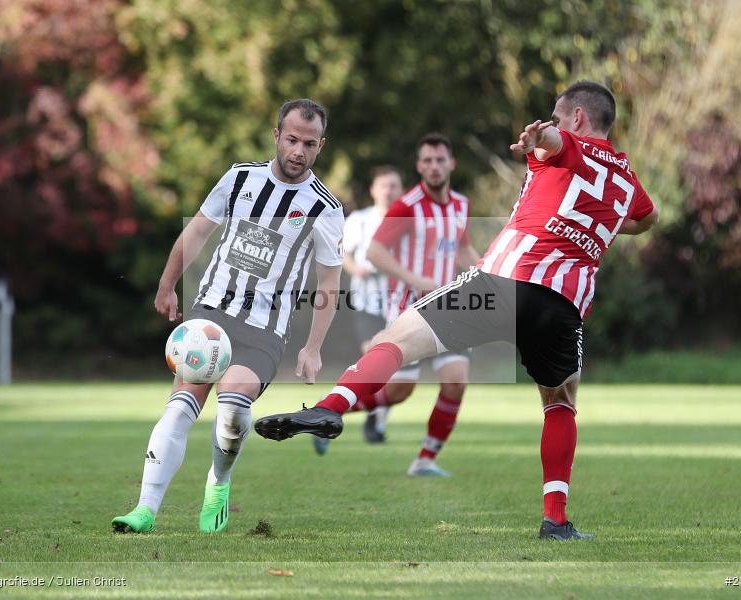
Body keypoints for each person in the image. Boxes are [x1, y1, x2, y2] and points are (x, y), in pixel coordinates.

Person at [255, 81, 659, 540]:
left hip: (506, 280)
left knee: (394, 341)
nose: (555, 121)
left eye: (558, 114)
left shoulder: (565, 143)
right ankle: (556, 520)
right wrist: (602, 227)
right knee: (561, 404)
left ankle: (332, 406)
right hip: (564, 304)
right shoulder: (626, 177)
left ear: (579, 119)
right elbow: (648, 219)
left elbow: (555, 142)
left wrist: (537, 138)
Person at [112, 98, 344, 534]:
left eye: (309, 144)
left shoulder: (325, 208)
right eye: (292, 139)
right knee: (180, 410)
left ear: (321, 146)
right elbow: (197, 231)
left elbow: (329, 283)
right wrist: (166, 284)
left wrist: (313, 348)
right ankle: (144, 509)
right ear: (276, 135)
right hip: (210, 319)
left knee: (233, 405)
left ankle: (218, 482)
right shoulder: (240, 179)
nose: (298, 151)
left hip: (264, 330)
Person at [314, 135, 481, 479]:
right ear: (419, 167)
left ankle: (425, 459)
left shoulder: (461, 205)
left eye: (440, 160)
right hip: (411, 310)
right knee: (397, 392)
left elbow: (462, 250)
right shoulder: (407, 205)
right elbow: (375, 252)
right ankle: (331, 415)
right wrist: (416, 279)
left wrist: (487, 274)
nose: (434, 166)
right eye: (428, 161)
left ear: (451, 164)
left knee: (456, 381)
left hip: (451, 309)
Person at [339, 165, 403, 443]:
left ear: (401, 190)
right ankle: (366, 414)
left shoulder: (409, 220)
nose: (388, 191)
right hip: (367, 301)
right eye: (383, 186)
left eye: (393, 186)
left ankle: (375, 418)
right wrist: (357, 270)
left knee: (392, 367)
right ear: (373, 190)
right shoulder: (360, 219)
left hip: (399, 303)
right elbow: (343, 255)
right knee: (372, 359)